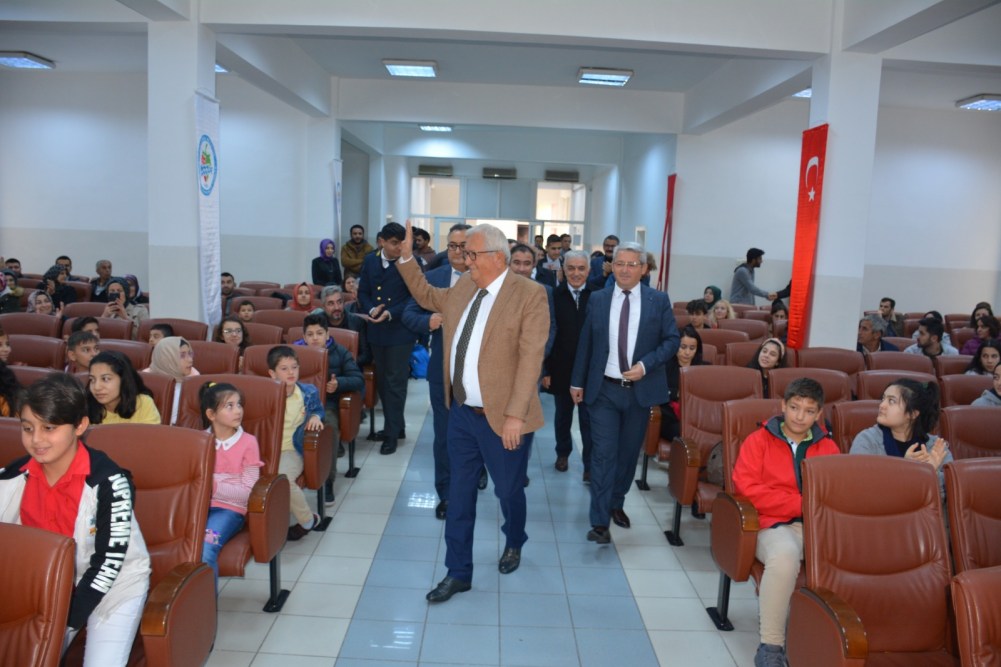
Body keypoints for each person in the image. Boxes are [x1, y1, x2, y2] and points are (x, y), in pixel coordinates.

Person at [396, 221, 550, 602]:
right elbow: (427, 295)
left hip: (503, 418)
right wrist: (406, 259)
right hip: (463, 413)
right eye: (464, 253)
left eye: (472, 254)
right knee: (460, 494)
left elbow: (531, 359)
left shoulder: (529, 295)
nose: (466, 260)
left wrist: (516, 415)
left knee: (508, 490)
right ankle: (458, 571)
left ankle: (515, 538)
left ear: (497, 257)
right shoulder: (466, 285)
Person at [0, 373, 151, 666]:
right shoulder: (11, 478)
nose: (36, 440)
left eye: (49, 428)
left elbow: (108, 563)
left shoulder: (109, 483)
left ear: (80, 426)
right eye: (28, 428)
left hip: (112, 586)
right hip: (44, 588)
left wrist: (61, 623)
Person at [570, 242, 680, 544]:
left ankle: (616, 501)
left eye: (632, 264)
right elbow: (586, 341)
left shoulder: (658, 300)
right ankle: (600, 521)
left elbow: (672, 340)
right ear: (611, 267)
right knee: (603, 455)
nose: (625, 269)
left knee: (628, 454)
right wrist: (577, 381)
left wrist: (645, 365)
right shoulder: (599, 299)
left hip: (638, 393)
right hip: (603, 389)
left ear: (643, 269)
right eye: (620, 263)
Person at [731, 378, 840, 667]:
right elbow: (748, 490)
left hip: (816, 528)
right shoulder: (758, 441)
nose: (800, 416)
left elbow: (833, 494)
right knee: (785, 555)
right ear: (783, 406)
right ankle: (771, 646)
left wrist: (810, 507)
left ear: (819, 414)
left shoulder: (828, 448)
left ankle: (837, 638)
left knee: (856, 554)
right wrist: (803, 503)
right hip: (770, 525)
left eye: (809, 411)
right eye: (794, 407)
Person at [400, 223, 471, 519]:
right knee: (444, 436)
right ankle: (446, 494)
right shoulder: (433, 278)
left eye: (463, 246)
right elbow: (408, 313)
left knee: (476, 434)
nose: (457, 252)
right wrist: (426, 323)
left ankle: (475, 475)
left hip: (478, 376)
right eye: (452, 246)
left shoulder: (487, 281)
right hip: (442, 373)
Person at [358, 221, 416, 455]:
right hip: (376, 331)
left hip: (400, 331)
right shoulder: (370, 261)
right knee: (382, 381)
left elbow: (414, 297)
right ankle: (397, 426)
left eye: (402, 243)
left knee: (395, 383)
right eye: (394, 243)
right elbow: (363, 291)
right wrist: (372, 309)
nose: (399, 248)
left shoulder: (409, 262)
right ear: (382, 241)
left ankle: (391, 434)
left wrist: (390, 313)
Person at [293, 314, 364, 505]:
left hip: (327, 405)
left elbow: (358, 379)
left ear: (327, 334)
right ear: (304, 336)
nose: (315, 338)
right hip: (294, 405)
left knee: (328, 430)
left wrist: (339, 383)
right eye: (310, 334)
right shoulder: (294, 354)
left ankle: (327, 480)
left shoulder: (340, 352)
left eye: (319, 333)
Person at [198, 382, 263, 585]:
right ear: (211, 414)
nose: (238, 411)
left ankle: (206, 604)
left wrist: (213, 486)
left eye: (239, 404)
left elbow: (249, 492)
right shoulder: (199, 441)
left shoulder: (248, 442)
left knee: (205, 551)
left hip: (229, 509)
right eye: (229, 406)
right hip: (197, 508)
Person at [850, 378, 952, 499]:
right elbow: (860, 490)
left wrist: (931, 473)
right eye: (883, 399)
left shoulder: (936, 447)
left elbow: (950, 498)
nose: (882, 405)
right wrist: (904, 470)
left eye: (891, 401)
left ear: (912, 413)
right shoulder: (867, 441)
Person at [544, 250, 594, 480]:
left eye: (581, 268)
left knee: (588, 420)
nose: (576, 273)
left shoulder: (598, 296)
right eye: (571, 268)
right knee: (563, 416)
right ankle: (562, 453)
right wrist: (546, 370)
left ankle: (589, 465)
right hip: (561, 368)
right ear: (563, 270)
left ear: (588, 271)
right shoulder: (554, 296)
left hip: (590, 371)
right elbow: (547, 334)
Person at [266, 346, 324, 541]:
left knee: (283, 479)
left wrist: (315, 416)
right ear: (272, 373)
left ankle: (308, 520)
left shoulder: (307, 392)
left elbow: (318, 409)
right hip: (264, 450)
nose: (291, 372)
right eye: (284, 369)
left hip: (291, 449)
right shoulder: (265, 394)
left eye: (294, 367)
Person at [659, 325, 710, 441]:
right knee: (685, 433)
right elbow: (656, 391)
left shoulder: (705, 369)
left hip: (697, 416)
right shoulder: (664, 366)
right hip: (670, 417)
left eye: (692, 348)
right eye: (683, 347)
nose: (687, 352)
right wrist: (676, 393)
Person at [88, 351, 161, 425]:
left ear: (124, 380)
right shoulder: (85, 406)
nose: (96, 387)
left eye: (105, 379)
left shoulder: (143, 404)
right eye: (92, 379)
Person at [314, 285, 371, 366]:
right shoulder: (316, 323)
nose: (336, 307)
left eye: (339, 302)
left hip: (351, 368)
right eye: (331, 304)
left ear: (344, 303)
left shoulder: (358, 323)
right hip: (325, 368)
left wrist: (345, 364)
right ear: (323, 306)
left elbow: (366, 356)